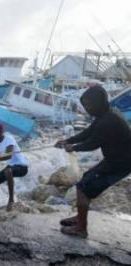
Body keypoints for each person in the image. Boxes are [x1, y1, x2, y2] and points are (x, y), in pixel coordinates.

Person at [55, 85, 131, 238]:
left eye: (88, 105)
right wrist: (67, 140)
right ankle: (79, 218)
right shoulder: (106, 114)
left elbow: (93, 143)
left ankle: (82, 228)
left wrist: (72, 147)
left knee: (83, 187)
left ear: (98, 103)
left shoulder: (108, 121)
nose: (86, 109)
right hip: (116, 159)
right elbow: (88, 133)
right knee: (85, 180)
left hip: (121, 163)